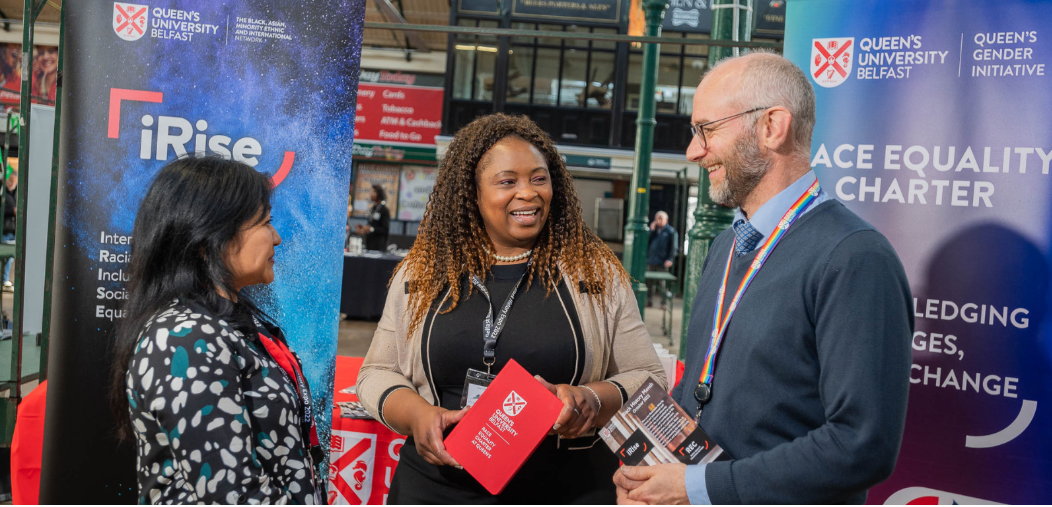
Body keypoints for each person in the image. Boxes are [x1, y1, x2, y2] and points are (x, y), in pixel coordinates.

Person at [613, 52, 912, 504]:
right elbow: (702, 389)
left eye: (707, 129)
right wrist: (650, 473)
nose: (694, 151)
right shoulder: (725, 246)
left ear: (772, 126)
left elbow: (861, 445)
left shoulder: (856, 257)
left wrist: (697, 488)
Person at [357, 113, 667, 504]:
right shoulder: (423, 273)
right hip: (437, 487)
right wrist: (417, 415)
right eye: (508, 181)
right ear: (472, 193)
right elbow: (376, 372)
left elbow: (650, 378)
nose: (528, 193)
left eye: (539, 178)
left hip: (567, 489)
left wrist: (591, 398)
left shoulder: (594, 273)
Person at [109, 156, 322, 504]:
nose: (277, 238)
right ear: (208, 238)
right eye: (265, 223)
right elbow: (232, 495)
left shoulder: (229, 320)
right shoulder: (183, 339)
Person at [645, 211, 677, 307]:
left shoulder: (670, 231)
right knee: (649, 283)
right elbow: (646, 242)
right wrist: (651, 231)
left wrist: (670, 259)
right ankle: (649, 301)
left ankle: (663, 303)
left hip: (662, 262)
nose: (658, 221)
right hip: (651, 260)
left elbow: (673, 247)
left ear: (666, 220)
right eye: (657, 219)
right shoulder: (653, 230)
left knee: (662, 283)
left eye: (660, 219)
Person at [355, 184, 390, 251]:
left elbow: (385, 230)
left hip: (379, 247)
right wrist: (362, 229)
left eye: (373, 192)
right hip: (369, 245)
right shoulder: (373, 209)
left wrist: (371, 229)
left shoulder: (384, 210)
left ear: (379, 194)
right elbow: (371, 224)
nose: (370, 194)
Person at [2, 164, 16, 290]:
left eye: (13, 181)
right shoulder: (3, 193)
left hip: (12, 230)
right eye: (9, 181)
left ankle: (5, 278)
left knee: (9, 257)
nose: (11, 183)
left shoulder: (15, 194)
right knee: (5, 256)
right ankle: (4, 279)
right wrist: (12, 211)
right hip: (5, 229)